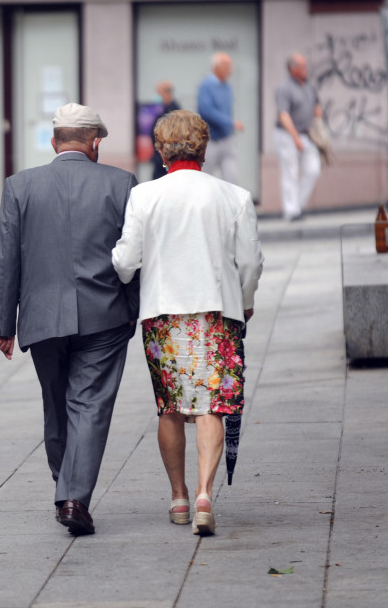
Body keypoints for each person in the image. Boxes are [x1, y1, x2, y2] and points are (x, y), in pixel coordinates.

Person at [112, 110, 262, 536]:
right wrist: (245, 302)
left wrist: (119, 269)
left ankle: (178, 496)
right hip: (217, 314)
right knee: (213, 405)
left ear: (161, 150)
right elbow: (250, 262)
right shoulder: (234, 196)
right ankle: (204, 495)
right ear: (204, 146)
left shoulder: (144, 196)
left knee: (172, 407)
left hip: (162, 315)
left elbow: (126, 262)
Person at [0, 103, 139, 536]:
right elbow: (134, 255)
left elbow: (7, 259)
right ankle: (73, 495)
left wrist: (3, 323)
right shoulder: (121, 183)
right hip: (105, 314)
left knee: (57, 404)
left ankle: (67, 487)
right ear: (95, 142)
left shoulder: (20, 186)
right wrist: (135, 309)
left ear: (55, 142)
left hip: (42, 317)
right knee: (89, 405)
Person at [274, 53, 322, 221]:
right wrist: (295, 137)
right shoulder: (284, 88)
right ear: (292, 69)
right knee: (290, 172)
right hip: (287, 135)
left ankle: (298, 205)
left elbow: (317, 106)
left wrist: (318, 126)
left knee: (313, 169)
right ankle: (291, 211)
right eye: (302, 67)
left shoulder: (308, 86)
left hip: (306, 134)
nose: (305, 70)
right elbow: (283, 114)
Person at [197, 52, 244, 185]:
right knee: (205, 178)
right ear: (216, 67)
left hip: (227, 139)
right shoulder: (206, 86)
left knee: (232, 179)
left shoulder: (227, 86)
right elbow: (207, 110)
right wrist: (230, 122)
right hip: (210, 141)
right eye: (227, 65)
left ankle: (232, 206)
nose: (231, 69)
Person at [151, 81, 182, 180]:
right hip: (160, 158)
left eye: (158, 94)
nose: (157, 97)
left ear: (166, 93)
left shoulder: (174, 112)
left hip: (166, 159)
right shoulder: (163, 110)